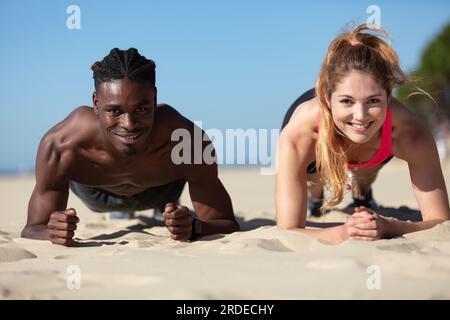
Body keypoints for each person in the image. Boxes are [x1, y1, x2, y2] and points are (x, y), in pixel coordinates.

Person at [21, 48, 239, 246]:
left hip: (161, 192)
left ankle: (162, 211)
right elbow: (32, 228)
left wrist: (194, 227)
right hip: (97, 195)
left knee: (171, 205)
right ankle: (123, 212)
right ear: (96, 104)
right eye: (115, 111)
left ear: (154, 100)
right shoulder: (63, 144)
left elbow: (226, 223)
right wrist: (52, 231)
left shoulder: (187, 140)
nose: (129, 124)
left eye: (141, 109)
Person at [276, 24, 449, 244]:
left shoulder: (410, 133)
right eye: (347, 101)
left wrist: (389, 226)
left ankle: (362, 192)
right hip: (319, 149)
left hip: (372, 150)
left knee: (365, 172)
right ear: (327, 98)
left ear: (388, 96)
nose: (361, 115)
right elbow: (287, 230)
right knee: (316, 178)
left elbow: (441, 220)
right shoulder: (300, 132)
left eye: (373, 101)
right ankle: (315, 197)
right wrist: (343, 232)